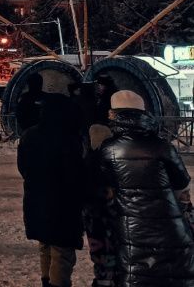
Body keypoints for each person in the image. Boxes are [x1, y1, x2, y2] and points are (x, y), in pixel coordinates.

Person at [98, 90, 194, 286]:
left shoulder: (108, 149)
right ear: (144, 114)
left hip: (133, 236)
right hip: (174, 234)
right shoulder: (163, 146)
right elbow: (182, 184)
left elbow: (103, 188)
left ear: (113, 115)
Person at [17, 93, 85, 287]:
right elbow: (75, 174)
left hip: (36, 199)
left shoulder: (29, 136)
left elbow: (23, 167)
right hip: (62, 204)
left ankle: (46, 281)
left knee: (45, 245)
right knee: (61, 252)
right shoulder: (68, 139)